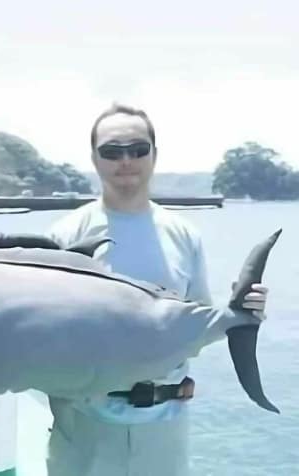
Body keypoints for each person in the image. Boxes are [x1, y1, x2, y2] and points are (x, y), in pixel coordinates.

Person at [44, 103, 269, 476]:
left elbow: (198, 328)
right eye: (112, 151)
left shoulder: (184, 235)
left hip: (165, 430)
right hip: (83, 428)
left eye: (138, 149)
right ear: (94, 159)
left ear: (154, 155)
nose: (126, 160)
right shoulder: (62, 237)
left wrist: (244, 312)